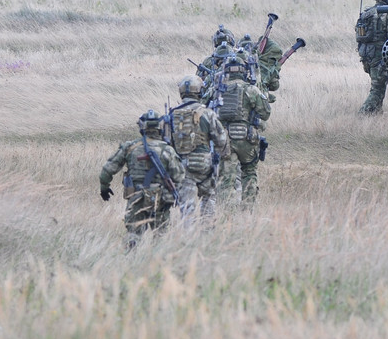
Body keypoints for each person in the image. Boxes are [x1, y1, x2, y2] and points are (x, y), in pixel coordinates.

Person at [99, 110, 196, 249]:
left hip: (136, 197)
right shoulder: (167, 150)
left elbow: (108, 169)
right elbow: (179, 176)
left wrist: (104, 187)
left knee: (133, 234)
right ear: (159, 127)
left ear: (142, 127)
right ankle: (158, 265)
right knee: (160, 235)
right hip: (160, 199)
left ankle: (130, 261)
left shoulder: (130, 147)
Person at [166, 75, 230, 219]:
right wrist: (220, 158)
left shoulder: (172, 115)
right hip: (205, 164)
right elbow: (221, 140)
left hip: (182, 165)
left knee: (186, 205)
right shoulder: (207, 113)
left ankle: (189, 236)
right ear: (199, 92)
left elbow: (167, 143)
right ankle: (207, 231)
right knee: (208, 198)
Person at [214, 59, 272, 205]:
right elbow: (265, 113)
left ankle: (226, 216)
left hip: (225, 140)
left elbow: (206, 108)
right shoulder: (250, 89)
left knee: (226, 179)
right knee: (249, 173)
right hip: (247, 139)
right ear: (243, 71)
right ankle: (247, 211)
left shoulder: (218, 89)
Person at [356, 0, 388, 114]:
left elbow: (359, 35)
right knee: (377, 88)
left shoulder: (367, 13)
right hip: (379, 55)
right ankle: (363, 113)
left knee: (378, 85)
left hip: (365, 53)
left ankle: (376, 113)